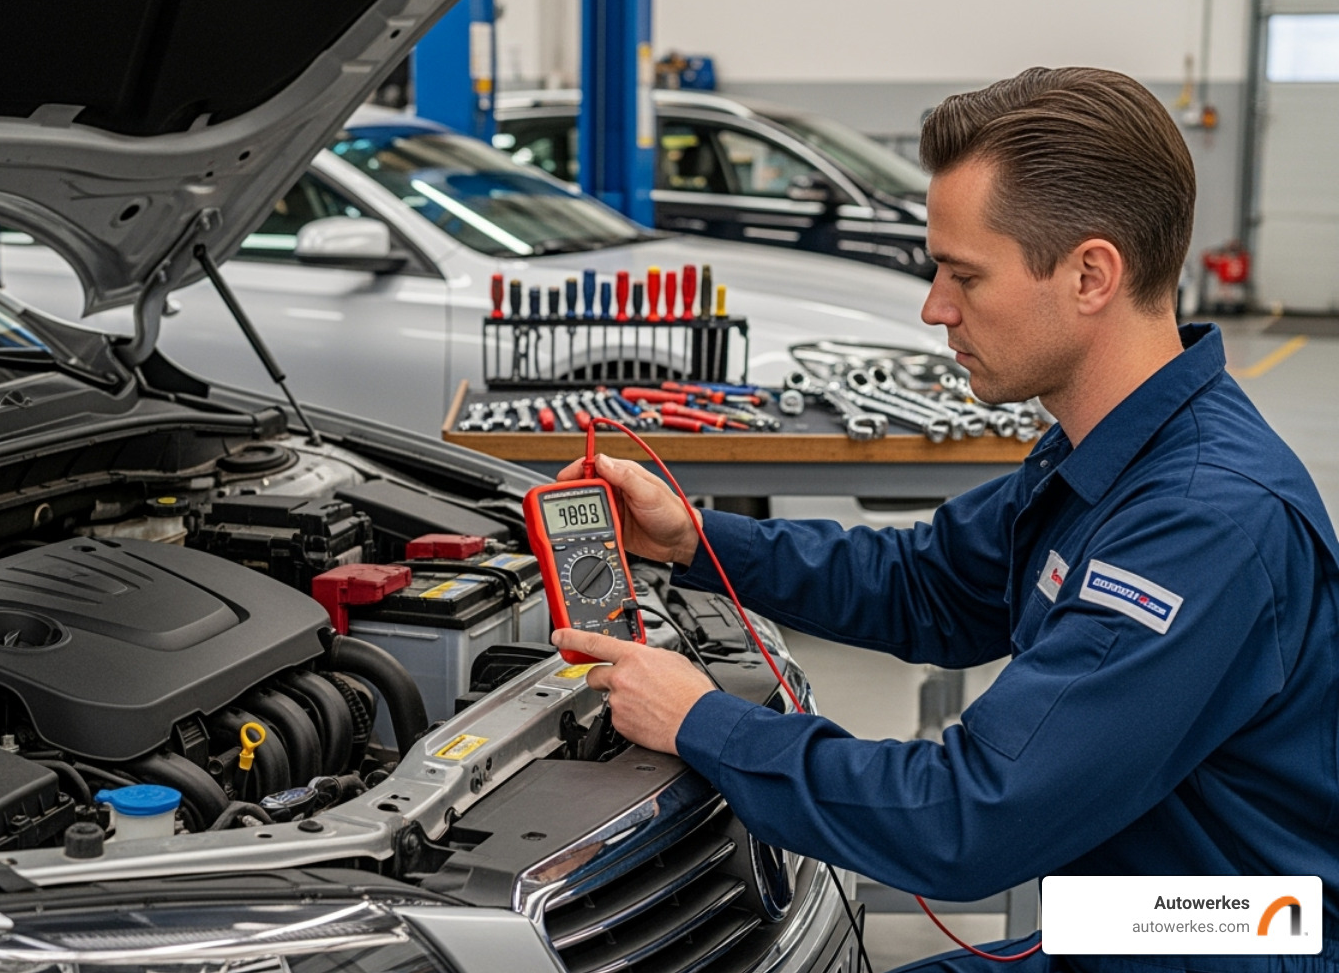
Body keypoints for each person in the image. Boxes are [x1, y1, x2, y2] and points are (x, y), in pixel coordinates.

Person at [550, 68, 1339, 972]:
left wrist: (703, 721)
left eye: (964, 274)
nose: (935, 307)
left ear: (1091, 274)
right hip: (1151, 914)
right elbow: (929, 584)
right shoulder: (1115, 447)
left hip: (1244, 940)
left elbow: (972, 820)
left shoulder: (1201, 524)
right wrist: (694, 539)